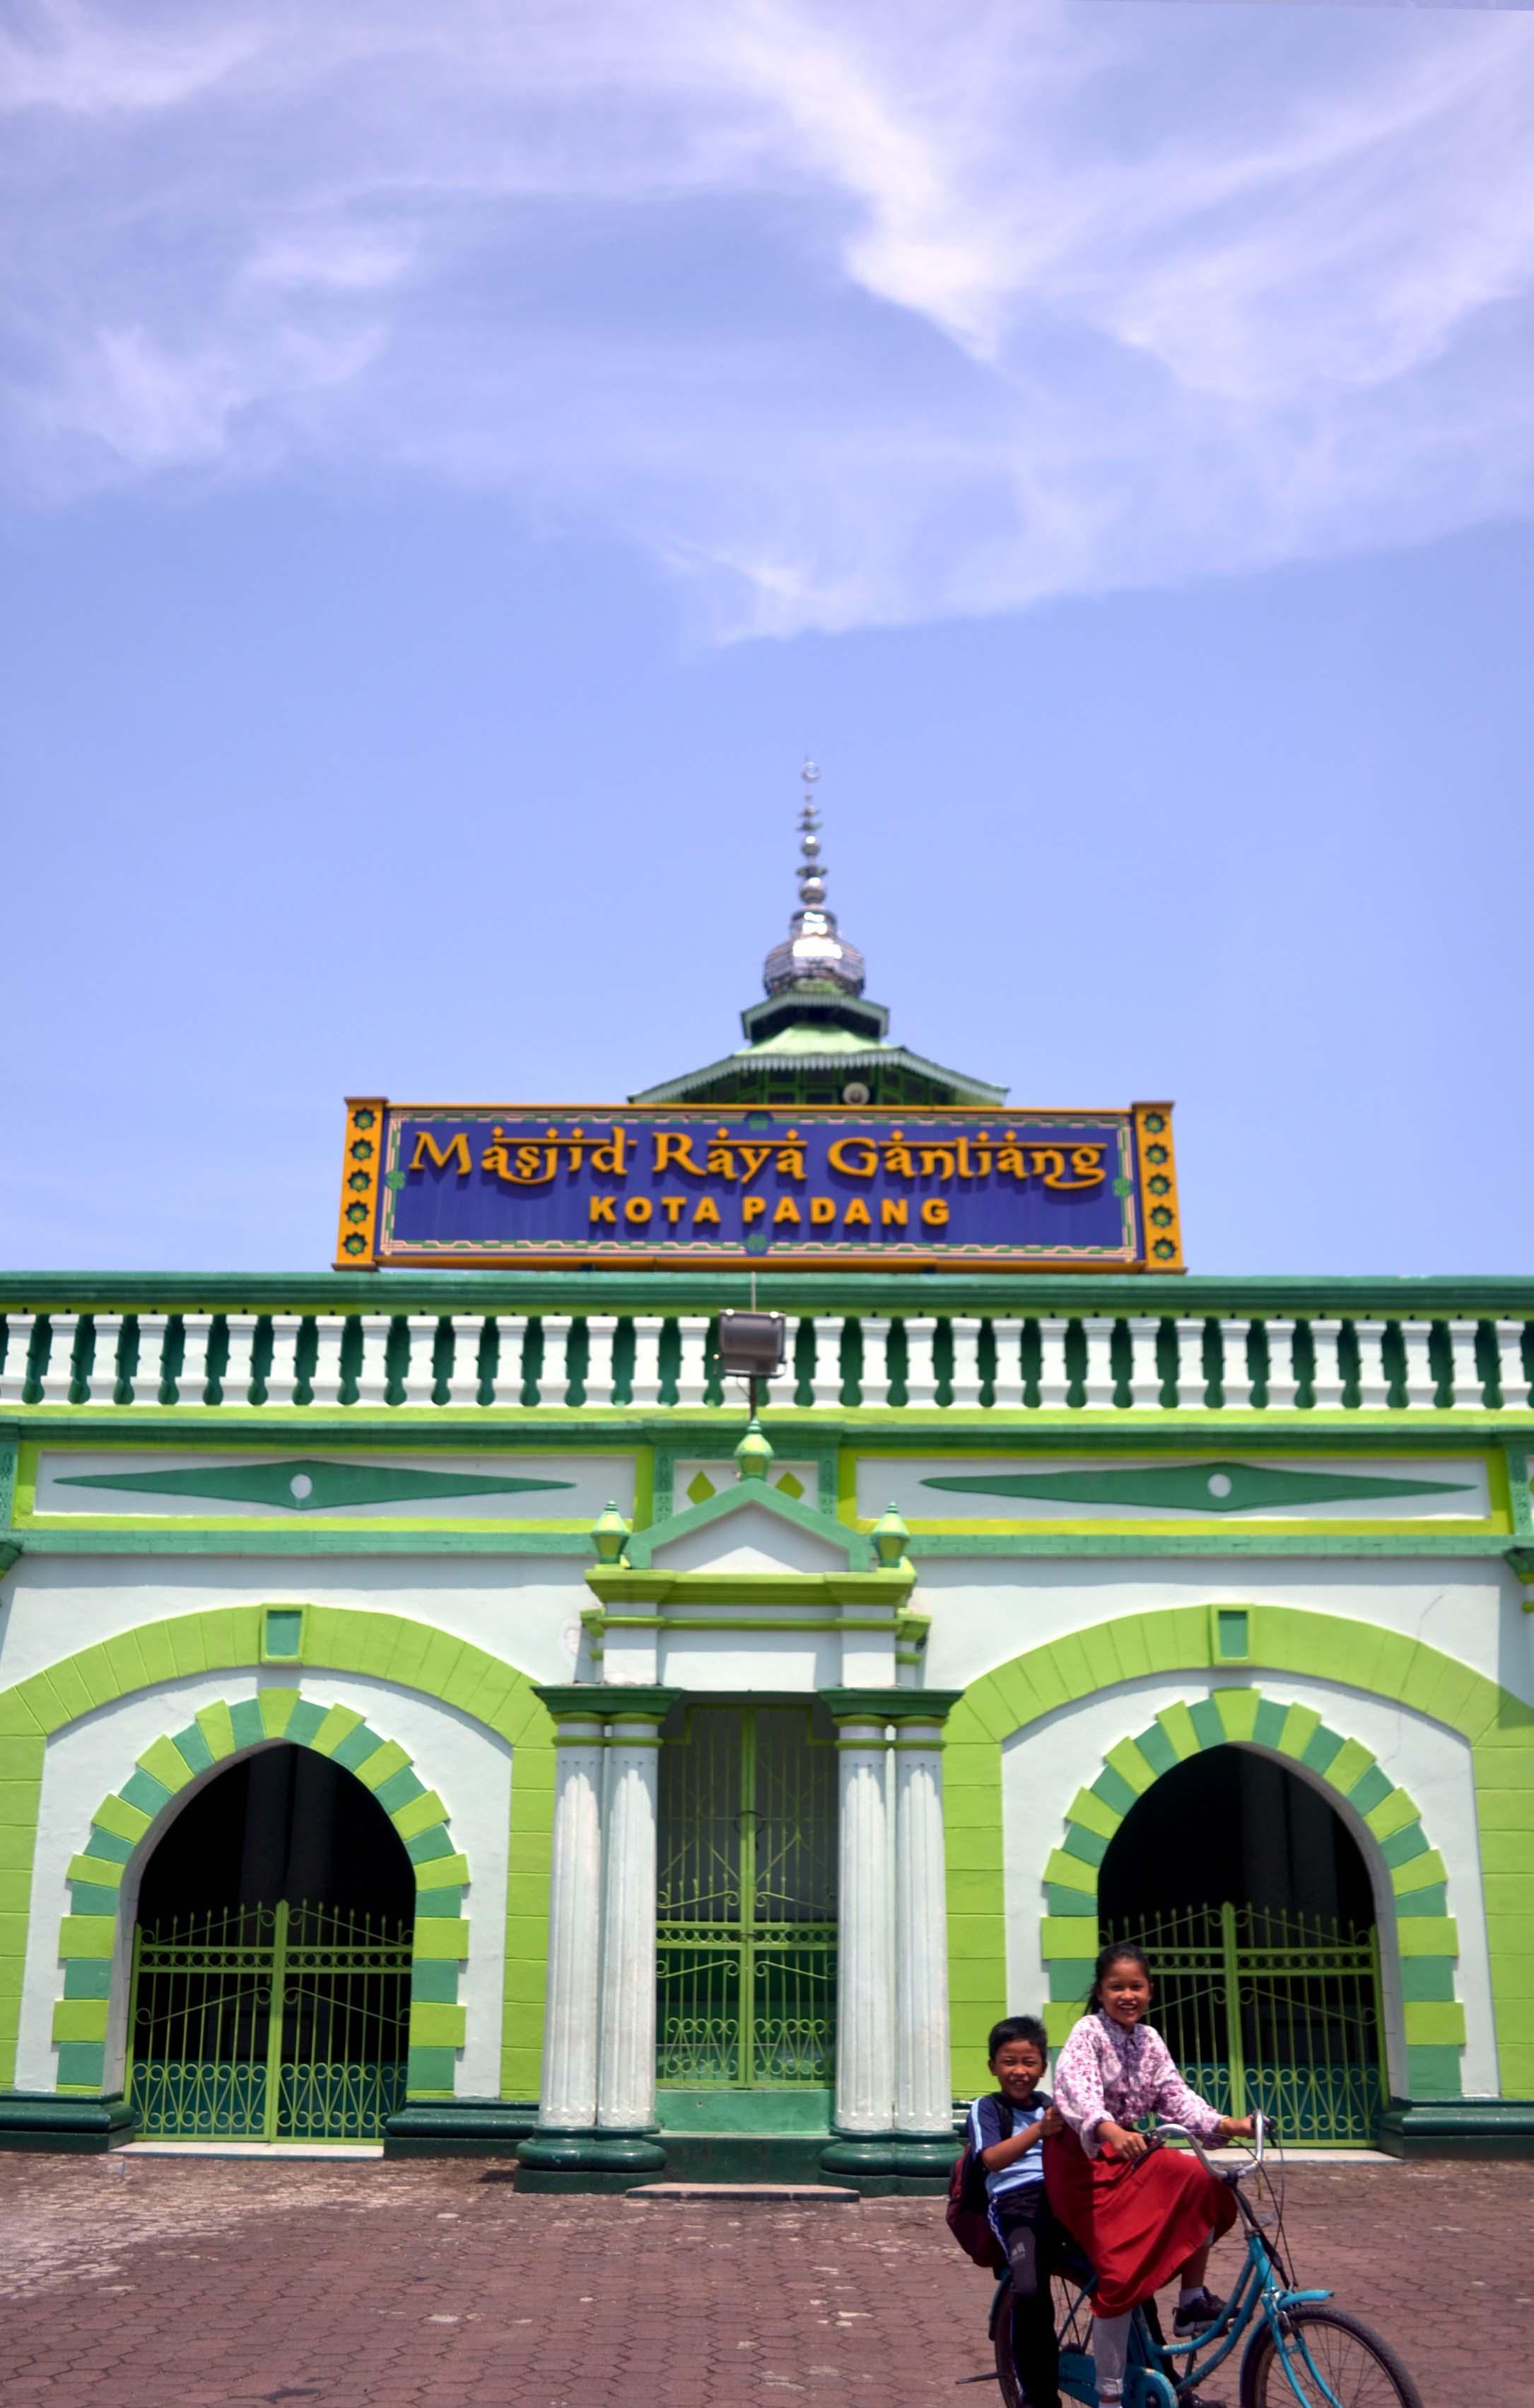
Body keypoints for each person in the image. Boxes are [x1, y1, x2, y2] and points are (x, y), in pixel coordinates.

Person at [1044, 1944, 1255, 2408]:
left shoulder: (1150, 2040)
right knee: (1120, 2273)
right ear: (1100, 1992)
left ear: (1150, 1990)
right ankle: (1111, 2394)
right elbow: (1077, 2090)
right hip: (1083, 2163)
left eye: (1136, 1985)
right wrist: (1108, 2128)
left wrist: (1228, 2124)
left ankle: (1192, 2300)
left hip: (1130, 2151)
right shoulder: (1088, 2032)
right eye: (1116, 1986)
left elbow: (1176, 2096)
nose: (1127, 1994)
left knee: (1202, 2180)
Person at [968, 2014, 1062, 2408]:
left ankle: (1164, 2377)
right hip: (1015, 2205)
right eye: (1009, 2062)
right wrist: (1037, 2132)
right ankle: (1038, 2396)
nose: (1020, 2071)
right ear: (993, 2066)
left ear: (1043, 2066)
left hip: (1060, 2199)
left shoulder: (1052, 2105)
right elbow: (990, 2159)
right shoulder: (987, 2108)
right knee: (1029, 2290)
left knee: (1125, 2271)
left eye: (1029, 2062)